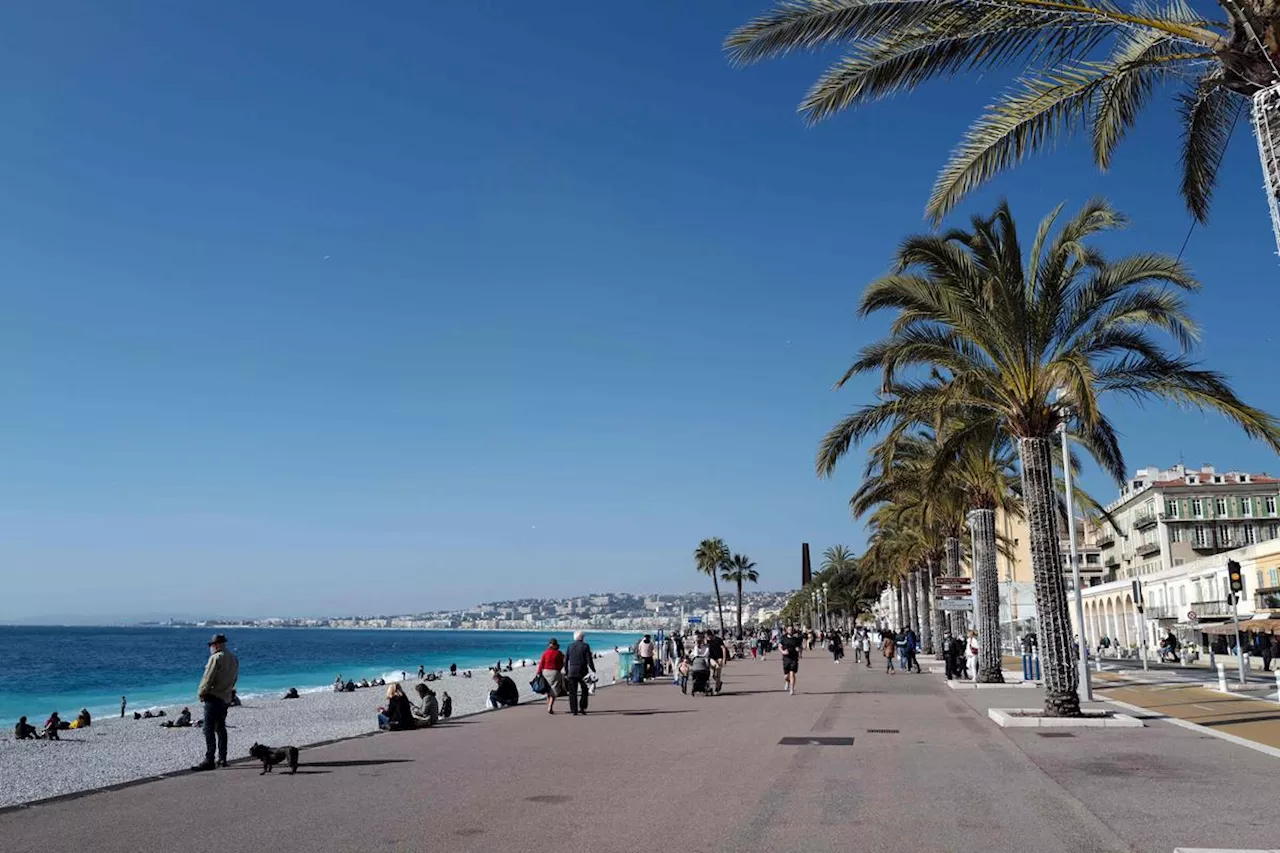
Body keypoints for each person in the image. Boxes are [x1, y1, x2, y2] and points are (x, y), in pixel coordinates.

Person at [191, 633, 239, 772]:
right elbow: (235, 678)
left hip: (213, 696)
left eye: (211, 645)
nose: (210, 648)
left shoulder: (216, 658)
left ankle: (209, 759)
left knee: (208, 728)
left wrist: (201, 693)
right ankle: (222, 758)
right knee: (221, 728)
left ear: (216, 645)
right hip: (226, 697)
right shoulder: (233, 658)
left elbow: (208, 678)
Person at [564, 629, 596, 716]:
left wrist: (566, 671)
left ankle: (574, 710)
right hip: (583, 672)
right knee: (584, 690)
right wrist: (593, 669)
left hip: (572, 672)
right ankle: (582, 707)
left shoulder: (569, 646)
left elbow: (566, 660)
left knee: (572, 692)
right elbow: (589, 659)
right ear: (582, 637)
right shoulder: (585, 646)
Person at [536, 637, 566, 714]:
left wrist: (539, 672)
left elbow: (541, 663)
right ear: (556, 645)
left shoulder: (545, 653)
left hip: (545, 672)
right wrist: (559, 669)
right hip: (554, 672)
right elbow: (563, 662)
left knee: (547, 689)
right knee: (554, 690)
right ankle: (550, 706)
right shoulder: (559, 653)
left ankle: (548, 703)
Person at [779, 625, 802, 695]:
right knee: (786, 676)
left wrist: (799, 650)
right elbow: (779, 646)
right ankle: (787, 681)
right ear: (786, 630)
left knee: (792, 674)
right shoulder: (783, 638)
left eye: (791, 629)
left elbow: (800, 647)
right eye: (789, 629)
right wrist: (783, 652)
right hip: (786, 658)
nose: (790, 631)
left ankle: (792, 689)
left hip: (794, 658)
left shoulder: (796, 639)